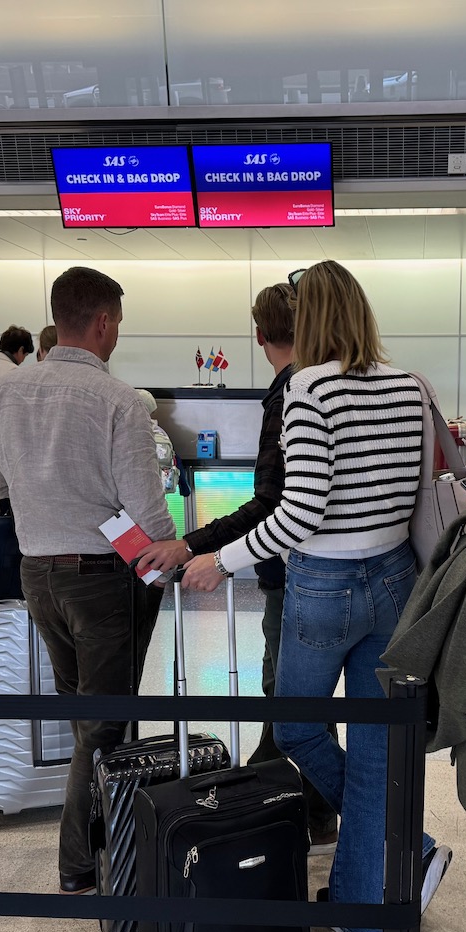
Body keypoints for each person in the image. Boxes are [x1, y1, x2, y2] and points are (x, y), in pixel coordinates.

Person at [177, 260, 451, 932]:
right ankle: (370, 906)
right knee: (372, 747)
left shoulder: (308, 386)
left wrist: (222, 559)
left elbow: (301, 510)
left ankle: (403, 858)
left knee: (296, 727)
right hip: (395, 579)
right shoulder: (407, 384)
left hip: (324, 585)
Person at [0, 267, 173, 896]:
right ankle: (79, 863)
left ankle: (111, 828)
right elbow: (145, 507)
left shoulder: (5, 392)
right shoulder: (120, 401)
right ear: (104, 321)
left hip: (38, 575)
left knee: (83, 716)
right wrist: (173, 552)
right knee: (103, 724)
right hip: (104, 579)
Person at [132, 282, 340, 851]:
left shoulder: (292, 392)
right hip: (344, 576)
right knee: (303, 708)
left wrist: (206, 550)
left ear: (259, 335)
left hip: (295, 576)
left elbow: (277, 501)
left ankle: (260, 802)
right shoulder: (337, 383)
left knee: (289, 705)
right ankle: (301, 808)